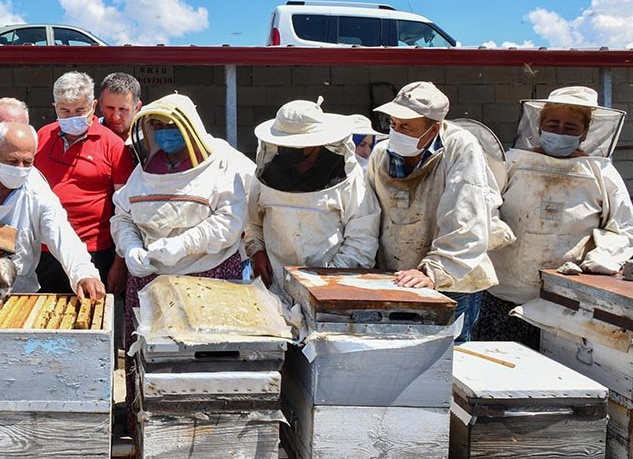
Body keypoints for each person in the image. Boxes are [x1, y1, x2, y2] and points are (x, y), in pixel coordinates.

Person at [112, 93, 255, 419]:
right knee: (152, 366)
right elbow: (122, 215)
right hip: (149, 279)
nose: (164, 133)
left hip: (209, 279)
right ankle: (147, 436)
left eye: (170, 126)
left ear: (190, 127)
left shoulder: (224, 162)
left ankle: (210, 434)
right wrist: (131, 245)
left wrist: (182, 244)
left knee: (203, 366)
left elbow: (229, 222)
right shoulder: (147, 167)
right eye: (157, 127)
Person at [478, 86, 633, 347]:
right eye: (553, 123)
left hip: (569, 300)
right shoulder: (512, 162)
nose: (560, 131)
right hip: (504, 294)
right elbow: (484, 207)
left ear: (584, 133)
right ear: (539, 126)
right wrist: (493, 229)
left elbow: (623, 228)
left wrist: (603, 256)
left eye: (571, 127)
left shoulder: (601, 172)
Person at [366, 81, 503, 342]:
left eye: (407, 126)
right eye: (394, 123)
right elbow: (369, 213)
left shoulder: (461, 147)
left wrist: (434, 270)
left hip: (453, 282)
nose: (397, 131)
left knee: (450, 365)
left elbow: (465, 217)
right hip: (396, 278)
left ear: (434, 127)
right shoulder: (381, 153)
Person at [0, 121, 105, 300]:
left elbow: (62, 233)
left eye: (27, 162)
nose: (20, 168)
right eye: (12, 161)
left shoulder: (38, 190)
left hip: (18, 292)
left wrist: (84, 273)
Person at [246, 100, 380, 293]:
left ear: (318, 144)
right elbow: (253, 223)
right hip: (275, 287)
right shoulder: (266, 174)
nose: (290, 153)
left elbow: (362, 237)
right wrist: (257, 251)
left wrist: (330, 280)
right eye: (285, 146)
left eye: (298, 147)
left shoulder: (349, 177)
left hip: (333, 289)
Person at [34, 72, 135, 295]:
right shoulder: (41, 138)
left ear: (93, 105)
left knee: (90, 317)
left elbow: (126, 211)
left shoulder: (113, 145)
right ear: (55, 107)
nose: (72, 116)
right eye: (64, 111)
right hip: (45, 251)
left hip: (95, 251)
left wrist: (119, 264)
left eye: (79, 110)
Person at [98, 72, 142, 142]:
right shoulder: (87, 135)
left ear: (137, 108)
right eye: (110, 108)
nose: (115, 117)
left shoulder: (150, 137)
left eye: (123, 109)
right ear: (100, 104)